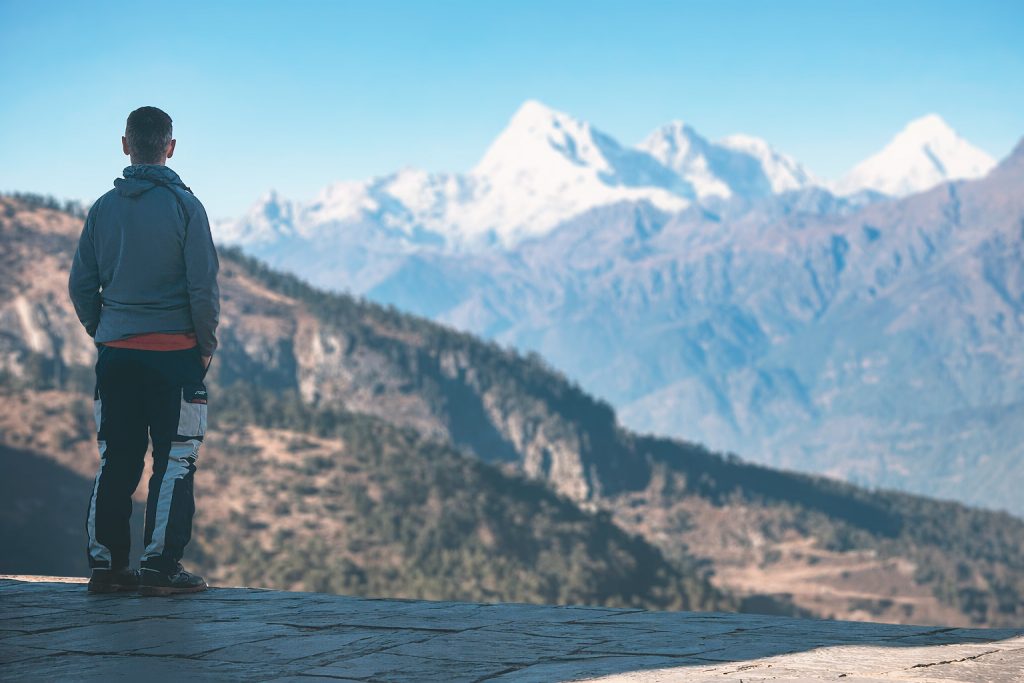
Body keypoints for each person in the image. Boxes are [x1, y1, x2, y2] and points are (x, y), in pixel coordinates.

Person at [68, 106, 219, 596]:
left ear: (126, 144)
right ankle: (159, 568)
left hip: (117, 355)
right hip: (175, 354)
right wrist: (204, 348)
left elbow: (81, 286)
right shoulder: (185, 207)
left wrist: (105, 331)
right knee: (175, 460)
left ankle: (107, 568)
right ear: (170, 147)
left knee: (117, 458)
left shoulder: (102, 209)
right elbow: (204, 289)